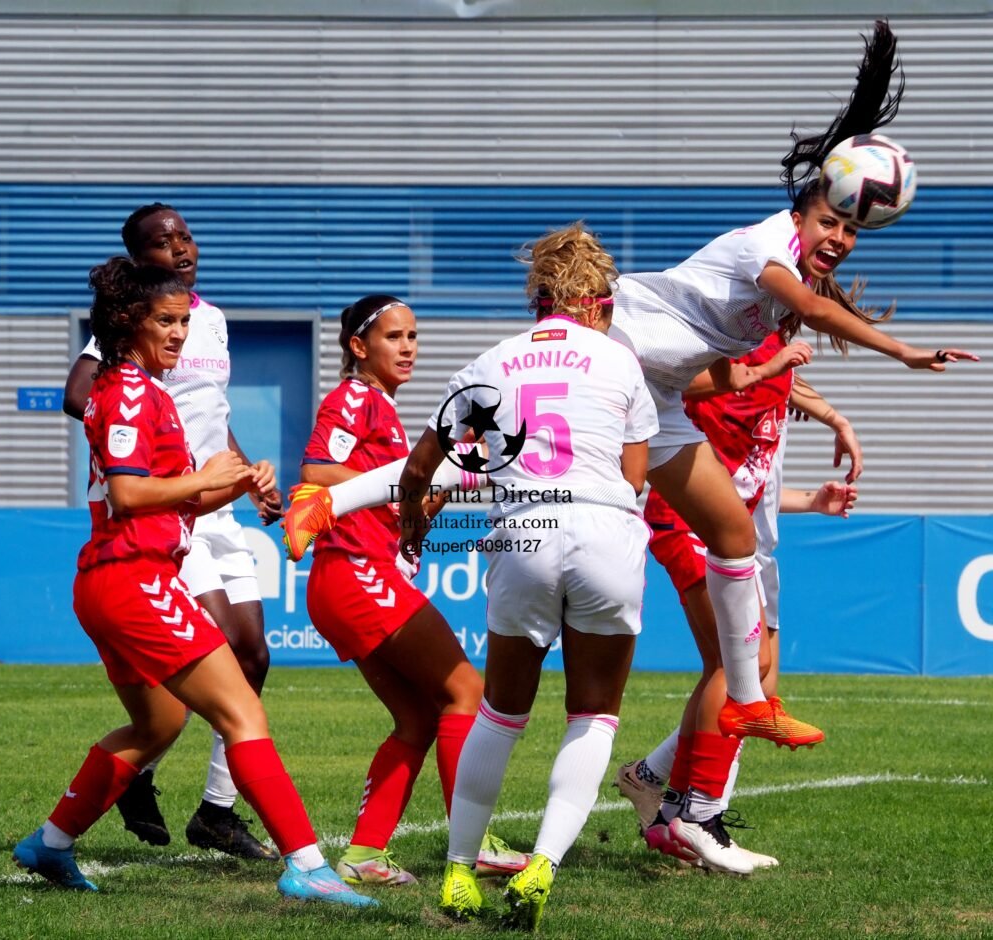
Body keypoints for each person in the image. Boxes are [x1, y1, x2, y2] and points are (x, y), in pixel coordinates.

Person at [606, 18, 976, 756]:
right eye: (830, 222)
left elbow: (739, 354)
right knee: (503, 461)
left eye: (852, 230)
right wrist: (903, 351)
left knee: (735, 534)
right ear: (801, 213)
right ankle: (354, 495)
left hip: (665, 395)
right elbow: (811, 309)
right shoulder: (767, 247)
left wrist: (793, 394)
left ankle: (748, 704)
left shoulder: (791, 276)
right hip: (611, 352)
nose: (839, 238)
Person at [13, 257, 375, 909]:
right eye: (165, 321)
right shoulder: (129, 389)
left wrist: (234, 483)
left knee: (156, 724)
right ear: (128, 324)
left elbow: (167, 502)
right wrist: (210, 480)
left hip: (115, 578)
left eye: (184, 321)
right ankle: (306, 865)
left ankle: (51, 841)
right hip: (132, 577)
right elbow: (127, 493)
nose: (181, 334)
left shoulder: (147, 391)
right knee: (241, 710)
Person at [393, 224, 657, 928]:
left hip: (524, 527)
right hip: (603, 526)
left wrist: (414, 518)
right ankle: (541, 866)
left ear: (536, 298)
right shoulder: (618, 360)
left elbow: (422, 466)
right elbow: (635, 477)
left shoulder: (491, 361)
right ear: (596, 301)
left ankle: (456, 875)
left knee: (501, 712)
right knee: (593, 714)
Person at [63, 204, 281, 859]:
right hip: (169, 506)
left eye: (185, 236)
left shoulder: (207, 319)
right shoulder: (135, 324)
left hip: (219, 503)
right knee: (213, 652)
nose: (180, 247)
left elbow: (213, 413)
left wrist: (245, 474)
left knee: (254, 657)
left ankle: (216, 808)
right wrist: (151, 445)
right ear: (139, 260)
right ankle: (141, 765)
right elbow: (80, 394)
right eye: (163, 242)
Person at [292, 294, 529, 887]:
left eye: (413, 337)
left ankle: (364, 854)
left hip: (348, 579)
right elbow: (318, 472)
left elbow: (398, 500)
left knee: (418, 718)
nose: (407, 347)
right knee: (467, 690)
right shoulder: (355, 397)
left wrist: (431, 497)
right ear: (358, 347)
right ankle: (474, 844)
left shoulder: (385, 410)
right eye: (393, 337)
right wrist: (407, 485)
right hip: (353, 572)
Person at [614, 332, 860, 874]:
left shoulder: (780, 368)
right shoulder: (733, 344)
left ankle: (658, 786)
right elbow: (688, 379)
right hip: (687, 524)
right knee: (740, 669)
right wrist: (768, 366)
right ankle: (698, 817)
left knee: (746, 673)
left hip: (737, 537)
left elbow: (751, 482)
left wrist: (822, 459)